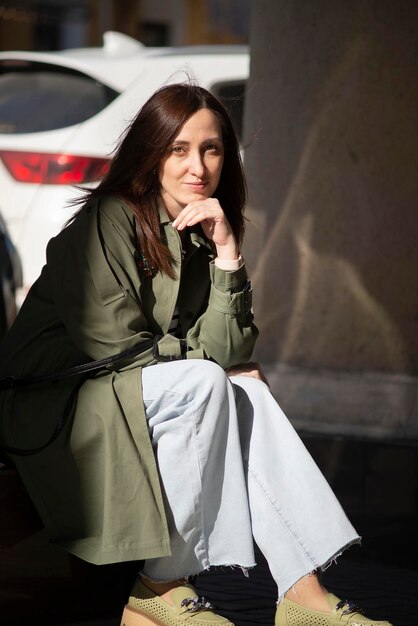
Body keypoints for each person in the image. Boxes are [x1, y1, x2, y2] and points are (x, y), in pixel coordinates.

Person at [0, 83, 391, 626]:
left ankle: (306, 595)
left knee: (244, 388)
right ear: (151, 152)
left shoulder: (204, 228)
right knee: (208, 383)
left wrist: (229, 253)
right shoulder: (109, 219)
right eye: (179, 149)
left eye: (211, 149)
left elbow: (228, 349)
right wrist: (210, 363)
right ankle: (160, 586)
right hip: (57, 400)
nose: (197, 166)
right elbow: (115, 342)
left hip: (131, 389)